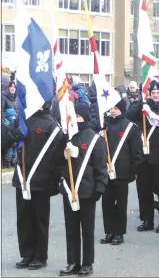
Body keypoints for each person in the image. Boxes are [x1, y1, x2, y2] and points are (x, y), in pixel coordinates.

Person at [12, 101, 63, 270]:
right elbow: (5, 140)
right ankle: (27, 253)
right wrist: (14, 134)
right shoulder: (23, 120)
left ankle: (40, 256)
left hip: (41, 180)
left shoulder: (51, 124)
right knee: (23, 218)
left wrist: (53, 180)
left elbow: (56, 156)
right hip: (23, 177)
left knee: (39, 219)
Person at [59, 103, 108, 277]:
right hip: (69, 190)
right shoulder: (67, 137)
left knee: (87, 229)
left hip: (87, 191)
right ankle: (72, 261)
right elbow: (58, 162)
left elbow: (101, 167)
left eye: (78, 116)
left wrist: (99, 189)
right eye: (73, 116)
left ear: (85, 117)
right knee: (71, 228)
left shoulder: (95, 139)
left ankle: (87, 263)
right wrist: (63, 154)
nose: (75, 119)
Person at [126, 81, 159, 233]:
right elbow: (129, 115)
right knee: (144, 190)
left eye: (158, 92)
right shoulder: (144, 107)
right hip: (144, 156)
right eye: (153, 93)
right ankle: (147, 220)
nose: (156, 95)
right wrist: (141, 104)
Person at [100, 99, 143, 246]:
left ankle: (119, 232)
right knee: (107, 203)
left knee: (121, 203)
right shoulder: (104, 126)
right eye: (112, 108)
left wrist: (133, 171)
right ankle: (109, 231)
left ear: (122, 110)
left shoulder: (131, 127)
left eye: (117, 108)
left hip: (122, 171)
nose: (113, 111)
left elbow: (137, 151)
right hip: (106, 171)